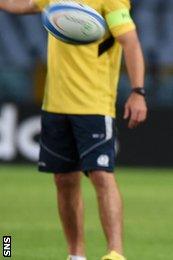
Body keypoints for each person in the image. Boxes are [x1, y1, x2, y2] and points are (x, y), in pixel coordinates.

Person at [0, 1, 147, 259]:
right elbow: (21, 5)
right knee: (64, 180)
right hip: (56, 103)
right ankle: (76, 254)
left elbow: (130, 42)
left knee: (101, 174)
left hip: (94, 104)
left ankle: (115, 253)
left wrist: (137, 92)